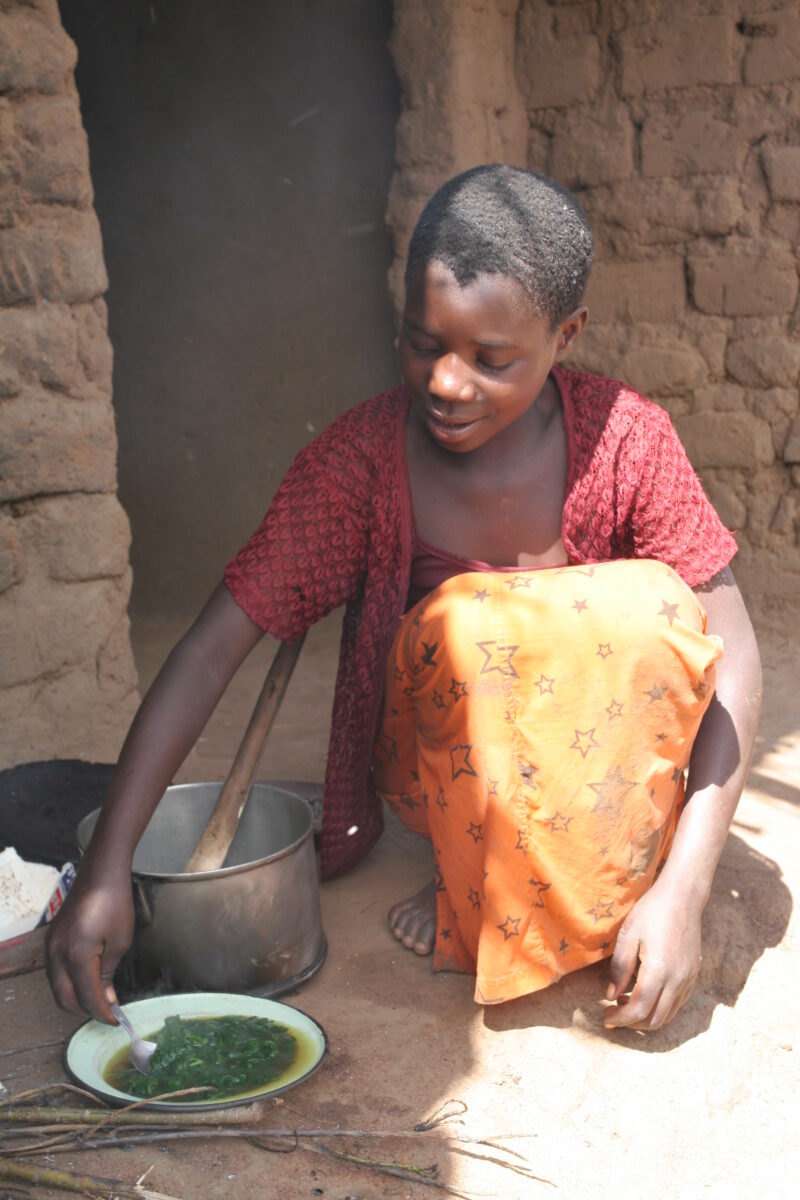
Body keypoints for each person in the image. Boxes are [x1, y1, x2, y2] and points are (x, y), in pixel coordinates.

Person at [46, 165, 762, 1032]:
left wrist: (685, 893)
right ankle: (472, 876)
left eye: (491, 360)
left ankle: (630, 878)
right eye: (423, 342)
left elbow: (736, 651)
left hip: (602, 772)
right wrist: (108, 866)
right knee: (464, 630)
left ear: (566, 336)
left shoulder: (628, 440)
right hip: (443, 772)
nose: (447, 384)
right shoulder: (359, 466)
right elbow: (211, 650)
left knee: (657, 611)